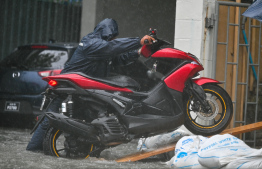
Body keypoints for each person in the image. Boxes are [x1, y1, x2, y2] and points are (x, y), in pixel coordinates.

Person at [26, 18, 155, 151]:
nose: (113, 39)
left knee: (88, 124)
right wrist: (138, 41)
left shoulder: (102, 48)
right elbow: (111, 47)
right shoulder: (91, 43)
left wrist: (138, 52)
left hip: (82, 93)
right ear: (106, 33)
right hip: (67, 89)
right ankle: (33, 151)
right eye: (112, 37)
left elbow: (118, 58)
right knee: (49, 121)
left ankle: (86, 152)